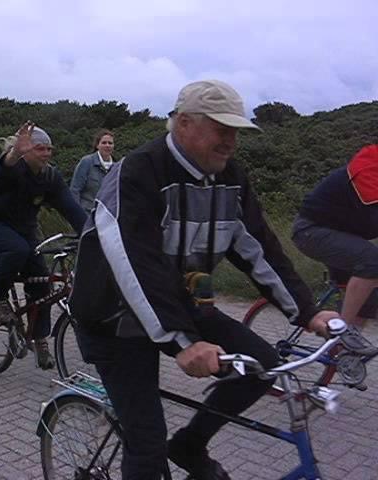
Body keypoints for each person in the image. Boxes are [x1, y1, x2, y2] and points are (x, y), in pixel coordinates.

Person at [69, 80, 338, 480]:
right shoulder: (140, 171)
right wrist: (183, 341)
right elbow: (134, 263)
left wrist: (307, 311)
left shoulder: (230, 177)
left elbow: (258, 247)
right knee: (146, 445)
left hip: (182, 300)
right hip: (114, 317)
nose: (231, 141)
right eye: (221, 129)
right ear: (183, 124)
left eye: (236, 132)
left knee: (262, 366)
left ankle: (190, 444)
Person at [0, 122, 87, 370]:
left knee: (42, 283)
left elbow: (71, 208)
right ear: (26, 151)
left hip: (24, 228)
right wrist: (14, 154)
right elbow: (2, 172)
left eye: (49, 149)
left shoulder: (50, 176)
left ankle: (40, 339)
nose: (46, 153)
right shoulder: (15, 168)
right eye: (40, 148)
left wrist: (92, 234)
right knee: (17, 250)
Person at [292, 144, 378, 341]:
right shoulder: (369, 169)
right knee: (373, 263)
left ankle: (346, 355)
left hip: (342, 236)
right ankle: (342, 336)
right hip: (311, 230)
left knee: (370, 295)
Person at [70, 129, 115, 211]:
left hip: (105, 217)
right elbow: (75, 190)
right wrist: (77, 213)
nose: (107, 145)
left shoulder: (115, 168)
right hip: (86, 214)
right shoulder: (87, 162)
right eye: (104, 143)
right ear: (97, 145)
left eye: (110, 143)